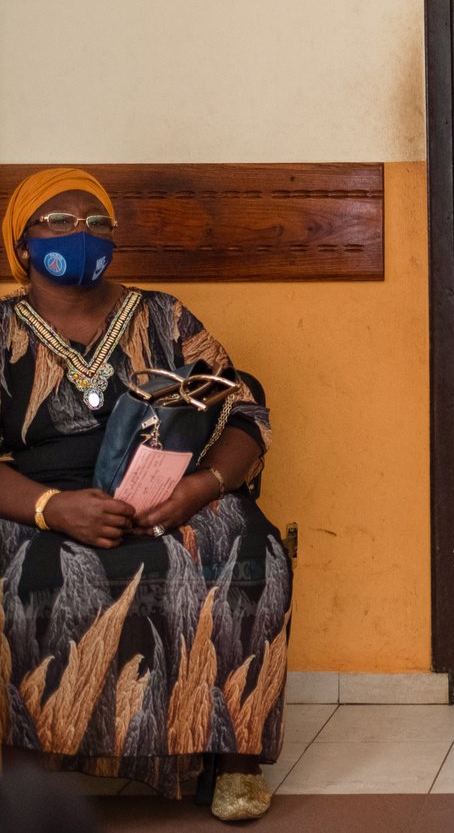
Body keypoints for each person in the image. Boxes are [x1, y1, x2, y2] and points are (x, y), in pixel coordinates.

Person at [0, 168, 291, 820]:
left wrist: (196, 490)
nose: (83, 234)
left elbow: (249, 415)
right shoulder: (3, 330)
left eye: (97, 222)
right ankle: (21, 767)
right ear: (22, 243)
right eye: (61, 221)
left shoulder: (165, 315)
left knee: (247, 543)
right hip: (41, 499)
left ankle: (234, 761)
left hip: (167, 493)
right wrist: (53, 507)